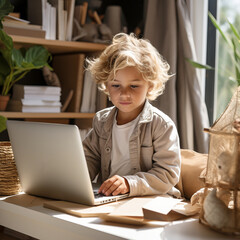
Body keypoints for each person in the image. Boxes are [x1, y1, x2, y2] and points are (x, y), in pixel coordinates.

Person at [83, 33, 181, 198]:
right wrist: (71, 176)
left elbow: (168, 173)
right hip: (110, 198)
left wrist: (129, 183)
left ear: (150, 85)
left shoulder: (161, 125)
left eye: (134, 86)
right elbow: (88, 158)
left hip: (150, 199)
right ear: (106, 85)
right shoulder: (101, 121)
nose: (124, 94)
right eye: (116, 85)